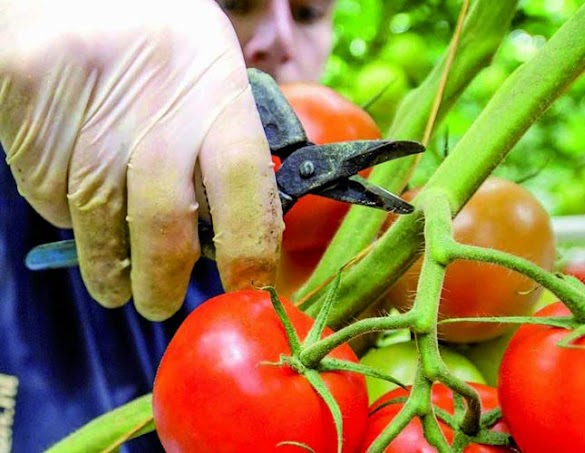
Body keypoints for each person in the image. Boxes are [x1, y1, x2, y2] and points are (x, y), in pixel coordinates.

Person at [0, 0, 336, 451]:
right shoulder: (29, 157)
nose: (278, 38)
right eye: (236, 3)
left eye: (308, 13)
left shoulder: (343, 250)